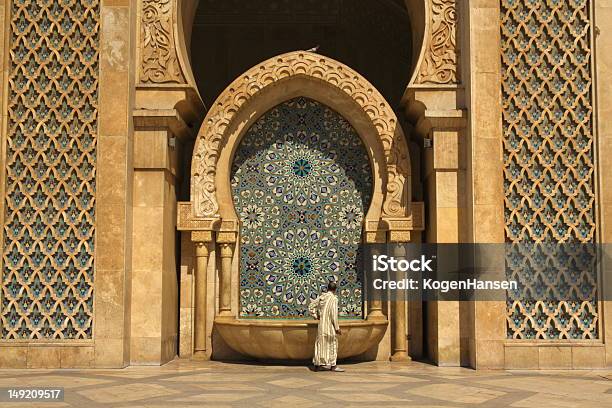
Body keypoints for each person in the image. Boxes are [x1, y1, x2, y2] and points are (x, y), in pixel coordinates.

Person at [309, 281, 344, 372]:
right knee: (332, 344)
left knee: (320, 344)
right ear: (335, 290)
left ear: (327, 288)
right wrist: (337, 328)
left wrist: (316, 316)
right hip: (329, 326)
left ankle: (317, 365)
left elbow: (311, 306)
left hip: (321, 325)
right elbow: (334, 314)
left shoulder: (322, 297)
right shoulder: (334, 299)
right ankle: (333, 365)